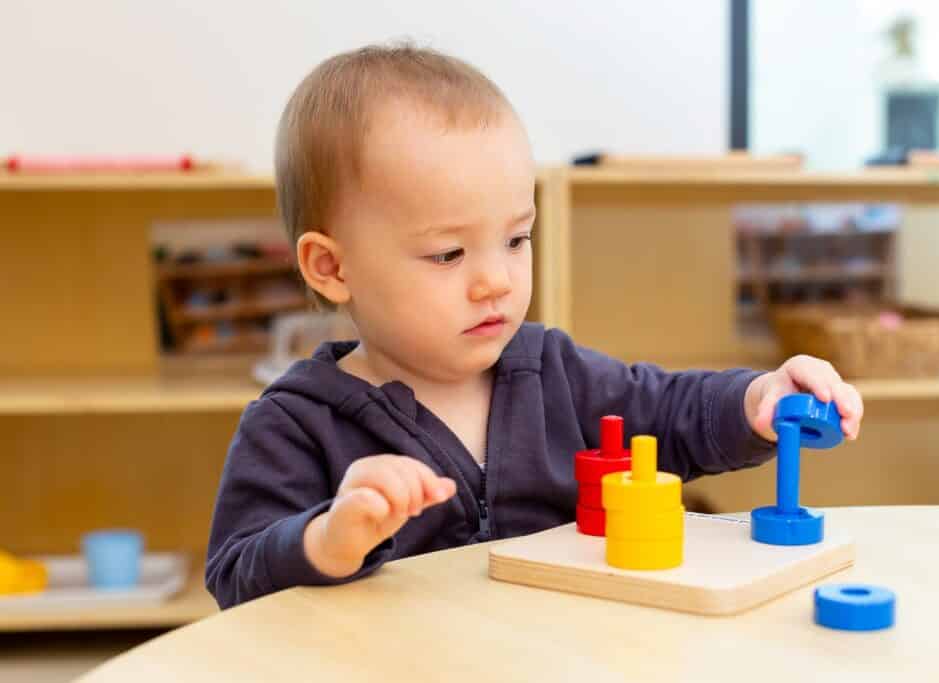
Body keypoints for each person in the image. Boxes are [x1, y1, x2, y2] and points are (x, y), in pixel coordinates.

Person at [206, 44, 864, 609]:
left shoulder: (554, 373)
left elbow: (672, 413)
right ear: (331, 266)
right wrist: (326, 539)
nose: (495, 279)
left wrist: (755, 399)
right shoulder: (293, 422)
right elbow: (235, 573)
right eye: (448, 253)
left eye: (516, 239)